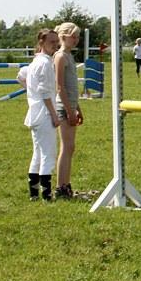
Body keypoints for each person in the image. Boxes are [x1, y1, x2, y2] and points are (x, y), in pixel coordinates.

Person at [24, 29, 60, 201]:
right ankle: (46, 194)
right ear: (41, 43)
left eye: (56, 41)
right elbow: (45, 92)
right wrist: (54, 114)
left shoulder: (35, 62)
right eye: (51, 42)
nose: (55, 44)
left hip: (34, 111)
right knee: (48, 154)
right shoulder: (45, 63)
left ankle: (33, 194)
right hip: (44, 113)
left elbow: (20, 76)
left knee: (37, 154)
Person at [54, 22, 84, 199]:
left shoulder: (70, 56)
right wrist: (69, 110)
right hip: (63, 107)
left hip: (71, 106)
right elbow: (60, 87)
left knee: (71, 147)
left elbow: (73, 88)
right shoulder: (60, 57)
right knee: (66, 147)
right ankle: (61, 186)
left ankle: (66, 184)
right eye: (73, 36)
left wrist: (77, 108)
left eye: (77, 36)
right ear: (63, 36)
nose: (76, 39)